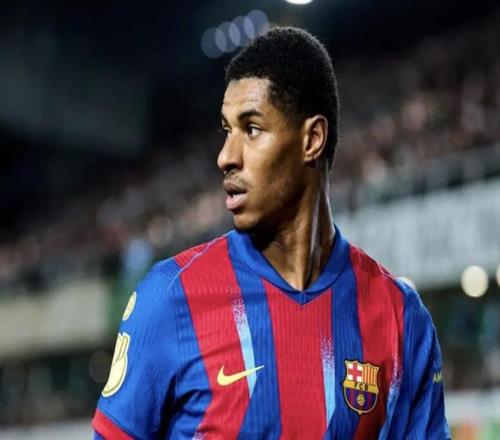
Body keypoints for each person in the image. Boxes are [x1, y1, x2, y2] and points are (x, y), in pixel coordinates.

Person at [92, 27, 450, 439]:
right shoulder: (171, 299)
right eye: (227, 130)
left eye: (252, 129)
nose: (226, 157)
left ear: (312, 139)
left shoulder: (401, 318)